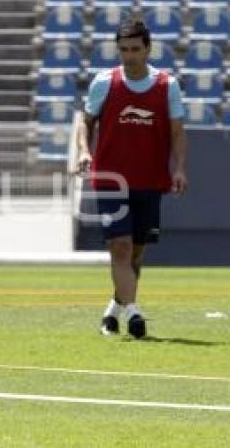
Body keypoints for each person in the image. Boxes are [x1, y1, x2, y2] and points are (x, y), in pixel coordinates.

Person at [77, 18, 187, 339]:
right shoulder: (103, 83)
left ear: (148, 49)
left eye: (135, 49)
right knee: (120, 247)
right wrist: (85, 151)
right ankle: (135, 313)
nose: (129, 55)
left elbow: (178, 133)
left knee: (136, 251)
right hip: (111, 178)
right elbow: (86, 123)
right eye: (124, 49)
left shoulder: (168, 86)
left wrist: (179, 168)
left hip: (150, 179)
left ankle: (113, 310)